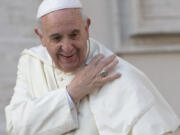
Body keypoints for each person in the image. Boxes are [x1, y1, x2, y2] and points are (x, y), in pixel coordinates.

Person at [5, 0, 180, 134]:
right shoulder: (32, 62)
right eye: (57, 38)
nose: (67, 47)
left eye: (74, 35)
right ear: (41, 37)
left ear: (87, 28)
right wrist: (72, 93)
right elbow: (15, 127)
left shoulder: (118, 73)